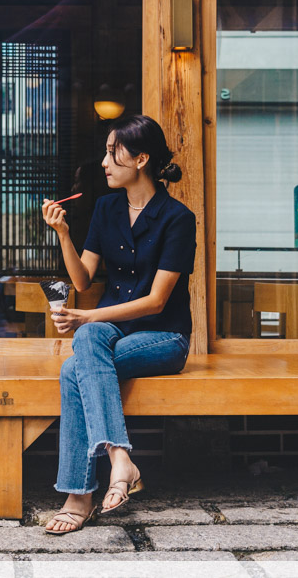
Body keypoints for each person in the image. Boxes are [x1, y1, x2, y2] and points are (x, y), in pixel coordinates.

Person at [40, 114, 197, 535]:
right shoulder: (107, 208)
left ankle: (78, 497)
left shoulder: (177, 218)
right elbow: (82, 280)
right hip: (111, 333)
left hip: (164, 335)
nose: (105, 161)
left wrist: (86, 315)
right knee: (88, 340)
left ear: (141, 158)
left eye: (114, 152)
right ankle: (121, 460)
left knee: (75, 367)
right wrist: (63, 234)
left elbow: (156, 301)